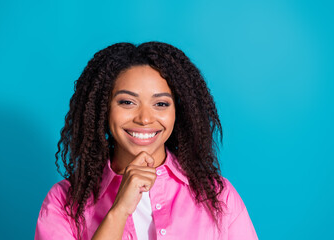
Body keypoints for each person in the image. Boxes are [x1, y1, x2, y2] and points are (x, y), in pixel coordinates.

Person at [35, 42, 258, 240]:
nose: (144, 118)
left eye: (161, 104)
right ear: (103, 109)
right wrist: (119, 210)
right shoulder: (64, 202)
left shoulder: (219, 197)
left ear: (178, 112)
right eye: (127, 102)